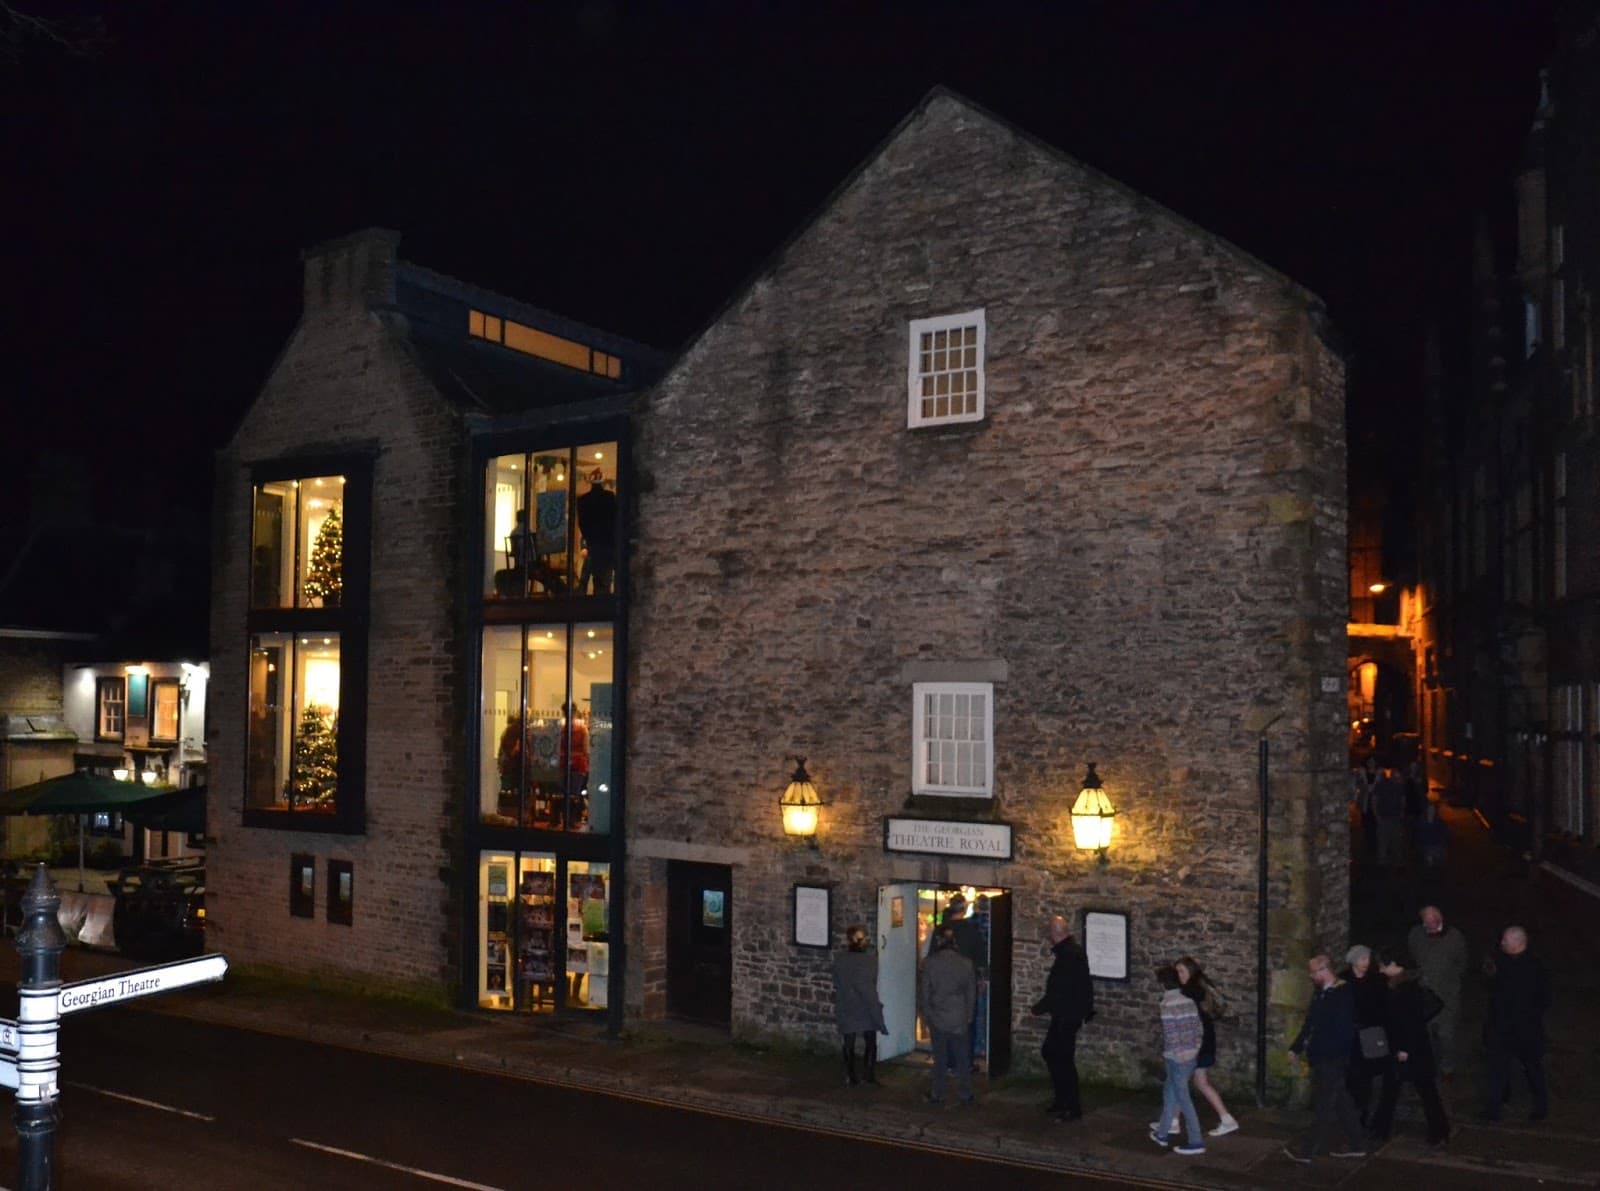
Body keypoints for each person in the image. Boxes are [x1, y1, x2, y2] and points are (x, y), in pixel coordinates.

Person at [1284, 954, 1367, 1164]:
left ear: (1324, 970)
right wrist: (1296, 1047)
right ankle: (1358, 1144)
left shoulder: (1343, 994)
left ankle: (1308, 1151)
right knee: (1341, 1101)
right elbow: (1310, 1023)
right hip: (1321, 1057)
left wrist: (1328, 1054)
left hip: (1332, 1059)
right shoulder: (1320, 992)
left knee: (1324, 1105)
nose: (1311, 977)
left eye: (1313, 972)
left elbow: (1342, 1031)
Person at [1367, 950, 1450, 1148]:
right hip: (1404, 1047)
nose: (1380, 970)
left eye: (1382, 965)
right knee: (1393, 1089)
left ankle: (1438, 1130)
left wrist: (1405, 1048)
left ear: (1394, 964)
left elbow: (1411, 1022)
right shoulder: (1398, 986)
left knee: (1424, 1090)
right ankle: (1381, 1128)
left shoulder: (1406, 989)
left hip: (1410, 1049)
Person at [1156, 956, 1238, 1138]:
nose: (1178, 976)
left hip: (1197, 1043)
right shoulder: (1201, 987)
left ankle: (1215, 1123)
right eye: (1176, 972)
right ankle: (1174, 1121)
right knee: (1193, 1081)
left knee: (1186, 1081)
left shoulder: (1190, 991)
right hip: (1203, 1041)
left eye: (1181, 971)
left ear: (1190, 972)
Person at [1482, 925, 1551, 1123]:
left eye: (1505, 940)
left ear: (1518, 943)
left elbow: (1544, 999)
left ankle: (1540, 1107)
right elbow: (1494, 992)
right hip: (1502, 1028)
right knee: (1497, 1069)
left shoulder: (1535, 967)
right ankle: (1494, 1107)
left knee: (1533, 1069)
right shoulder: (1501, 961)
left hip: (1525, 1030)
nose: (1501, 943)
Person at [1031, 915, 1094, 1122]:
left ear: (1056, 933)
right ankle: (1062, 1100)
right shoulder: (1070, 953)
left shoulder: (1069, 955)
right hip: (1066, 1014)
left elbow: (1060, 989)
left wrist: (1039, 1008)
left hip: (1067, 1015)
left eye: (1050, 931)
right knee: (1051, 1052)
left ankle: (1071, 1106)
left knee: (1062, 1058)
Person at [1150, 965, 1207, 1155]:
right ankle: (1162, 1134)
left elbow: (1171, 1035)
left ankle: (1196, 1140)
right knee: (1170, 1093)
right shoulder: (1188, 1001)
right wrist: (1194, 1049)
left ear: (1163, 984)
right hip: (1191, 1056)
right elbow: (1199, 1028)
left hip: (1177, 1058)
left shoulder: (1167, 1005)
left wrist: (1175, 1056)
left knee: (1183, 1099)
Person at [918, 925, 976, 1107]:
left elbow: (925, 993)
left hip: (938, 1016)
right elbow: (971, 993)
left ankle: (939, 1093)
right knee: (962, 1058)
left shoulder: (930, 963)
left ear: (939, 941)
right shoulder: (966, 964)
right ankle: (965, 1094)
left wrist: (927, 1015)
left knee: (940, 1058)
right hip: (958, 1015)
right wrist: (968, 1015)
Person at [1407, 905, 1468, 1080]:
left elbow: (1461, 962)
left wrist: (1449, 980)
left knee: (1445, 1035)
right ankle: (1428, 1064)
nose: (1431, 926)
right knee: (1425, 1033)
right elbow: (1413, 955)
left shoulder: (1454, 937)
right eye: (1427, 923)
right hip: (1425, 995)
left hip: (1447, 996)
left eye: (1434, 922)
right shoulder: (1416, 934)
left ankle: (1447, 1067)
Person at [1339, 945, 1394, 1128]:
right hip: (1350, 1035)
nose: (1366, 963)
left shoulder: (1376, 981)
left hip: (1370, 1033)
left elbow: (1384, 1007)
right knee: (1351, 1075)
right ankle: (1351, 1110)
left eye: (1368, 959)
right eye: (1363, 959)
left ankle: (1363, 1112)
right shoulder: (1344, 980)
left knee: (1368, 1075)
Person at [831, 924, 886, 1087]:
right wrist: (875, 1006)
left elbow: (837, 981)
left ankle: (852, 1076)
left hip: (848, 1002)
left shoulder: (841, 959)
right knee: (866, 1039)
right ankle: (865, 1076)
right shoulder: (868, 960)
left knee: (852, 1039)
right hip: (863, 1004)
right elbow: (869, 984)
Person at [938, 893, 986, 1070]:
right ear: (965, 909)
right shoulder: (971, 930)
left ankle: (949, 1062)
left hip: (944, 982)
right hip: (966, 982)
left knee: (946, 1023)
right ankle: (966, 1061)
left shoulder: (941, 929)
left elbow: (933, 957)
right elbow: (980, 957)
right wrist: (981, 980)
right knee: (968, 1023)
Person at [575, 470, 618, 595]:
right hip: (608, 543)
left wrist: (589, 538)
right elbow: (615, 519)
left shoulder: (583, 500)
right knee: (604, 581)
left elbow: (582, 523)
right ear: (603, 482)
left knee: (595, 576)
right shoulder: (609, 497)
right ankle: (602, 608)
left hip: (593, 543)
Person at [558, 702, 589, 828]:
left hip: (563, 762)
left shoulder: (560, 728)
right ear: (576, 712)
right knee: (575, 794)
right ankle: (572, 820)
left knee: (563, 793)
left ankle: (564, 819)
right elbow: (586, 749)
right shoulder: (582, 729)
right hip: (578, 762)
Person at [1371, 762, 1407, 870]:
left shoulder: (1400, 786)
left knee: (1396, 841)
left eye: (1398, 776)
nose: (1397, 778)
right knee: (1383, 841)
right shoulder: (1382, 784)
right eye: (1395, 775)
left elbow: (1403, 801)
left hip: (1395, 817)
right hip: (1384, 817)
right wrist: (1376, 815)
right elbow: (1374, 800)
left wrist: (1402, 813)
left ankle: (1398, 862)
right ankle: (1382, 862)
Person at [1417, 801, 1448, 871]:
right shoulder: (1422, 822)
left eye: (1433, 810)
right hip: (1426, 847)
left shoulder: (1439, 822)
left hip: (1436, 846)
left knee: (1439, 860)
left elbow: (1445, 833)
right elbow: (1418, 835)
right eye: (1429, 810)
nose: (1431, 812)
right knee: (1429, 861)